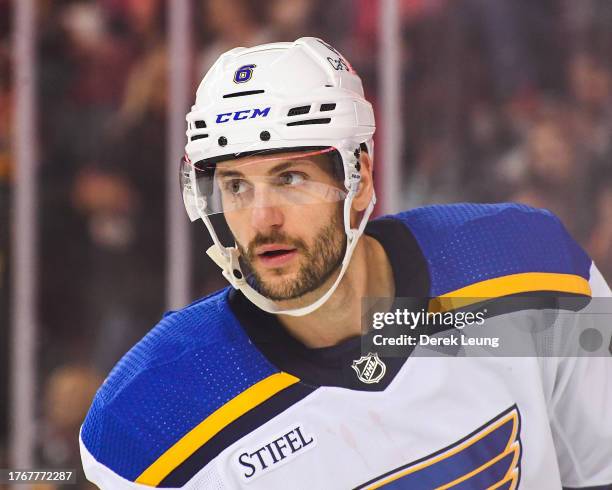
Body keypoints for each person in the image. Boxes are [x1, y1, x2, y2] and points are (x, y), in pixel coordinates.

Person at [79, 38, 612, 489]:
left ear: (359, 181)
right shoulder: (150, 418)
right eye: (236, 186)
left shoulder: (526, 262)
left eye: (290, 178)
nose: (262, 219)